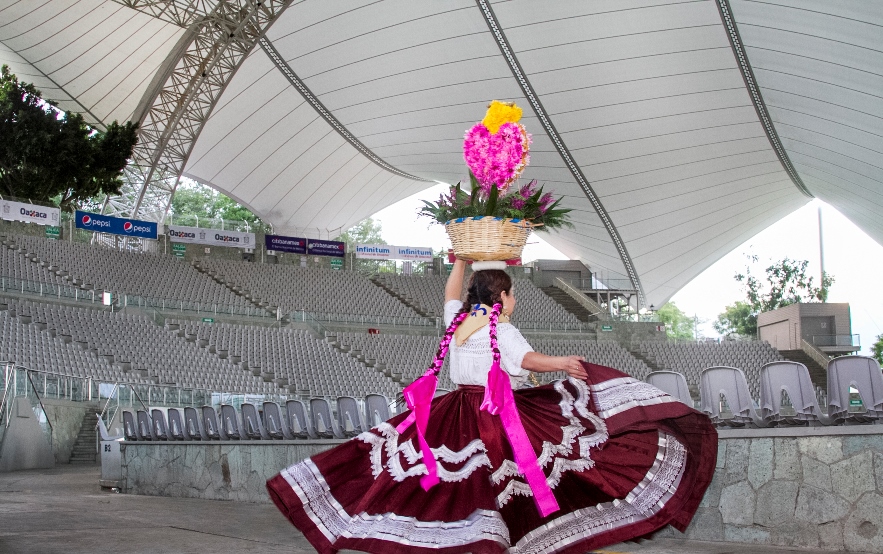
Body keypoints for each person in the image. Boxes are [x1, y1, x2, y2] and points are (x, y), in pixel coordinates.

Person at [267, 259, 718, 554]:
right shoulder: (500, 324)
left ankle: (466, 539)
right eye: (512, 295)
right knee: (531, 469)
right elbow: (526, 361)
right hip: (497, 413)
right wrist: (562, 362)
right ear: (501, 297)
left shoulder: (458, 318)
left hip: (455, 409)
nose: (513, 301)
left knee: (436, 478)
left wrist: (459, 261)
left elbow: (449, 293)